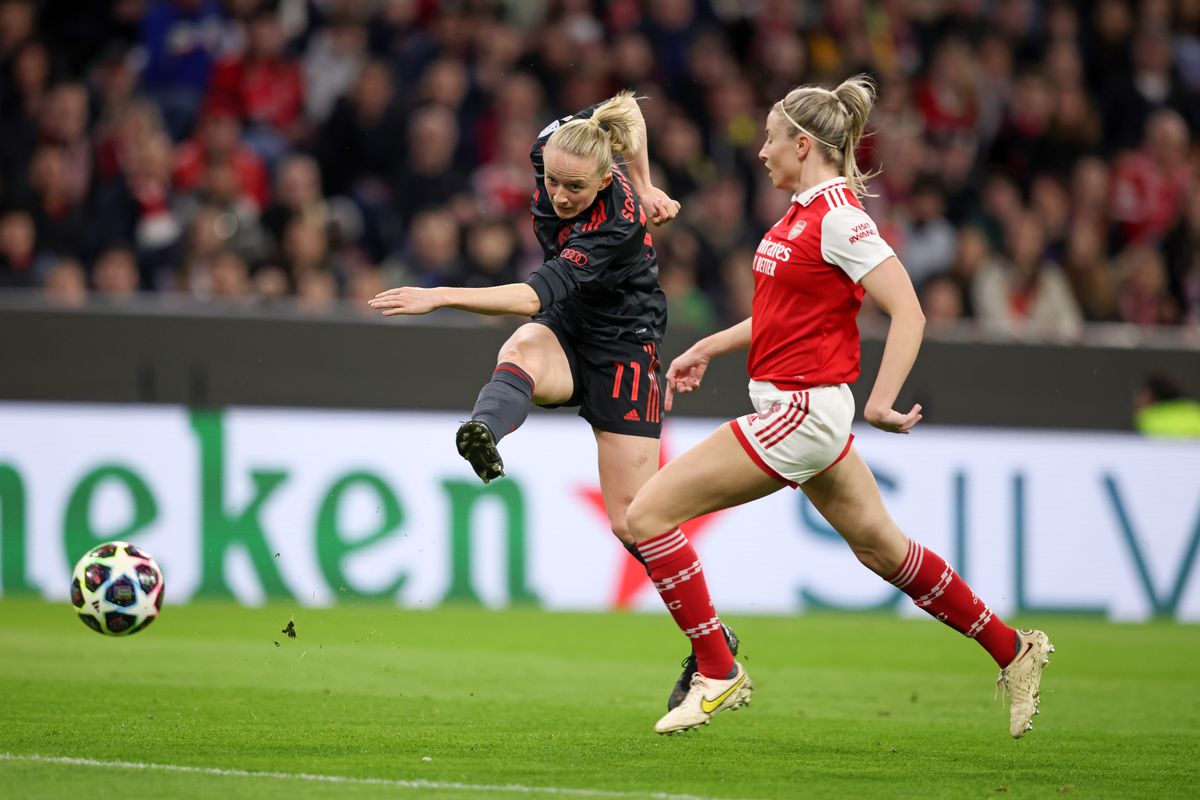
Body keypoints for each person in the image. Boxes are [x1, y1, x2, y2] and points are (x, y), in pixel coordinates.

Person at [623, 76, 1053, 738]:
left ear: (802, 143)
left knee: (647, 513)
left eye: (770, 139)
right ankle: (1013, 649)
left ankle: (717, 669)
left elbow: (908, 310)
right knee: (886, 552)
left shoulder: (841, 220)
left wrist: (881, 400)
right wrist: (708, 345)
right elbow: (775, 314)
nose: (761, 151)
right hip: (802, 412)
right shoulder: (798, 214)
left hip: (801, 413)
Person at [369, 91, 737, 707]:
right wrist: (649, 182)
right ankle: (484, 430)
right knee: (522, 349)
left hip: (626, 346)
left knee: (633, 523)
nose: (560, 196)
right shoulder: (561, 140)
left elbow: (530, 295)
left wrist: (439, 294)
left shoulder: (613, 225)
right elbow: (629, 110)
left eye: (574, 188)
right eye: (553, 182)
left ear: (602, 178)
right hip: (572, 325)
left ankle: (711, 645)